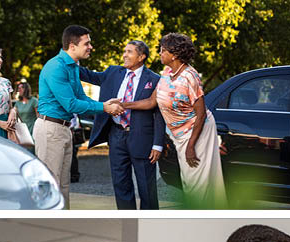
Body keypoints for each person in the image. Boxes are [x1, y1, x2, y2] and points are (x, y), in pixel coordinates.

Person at [122, 33, 226, 209]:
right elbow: (151, 102)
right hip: (180, 134)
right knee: (189, 180)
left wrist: (191, 146)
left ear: (174, 55)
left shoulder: (189, 77)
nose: (160, 54)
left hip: (197, 132)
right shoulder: (167, 72)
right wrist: (123, 104)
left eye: (163, 50)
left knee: (196, 183)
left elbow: (200, 114)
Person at [36, 25, 125, 209]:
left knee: (64, 184)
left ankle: (64, 221)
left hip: (64, 128)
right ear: (72, 45)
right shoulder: (56, 67)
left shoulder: (73, 66)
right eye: (87, 43)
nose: (91, 47)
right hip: (50, 130)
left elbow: (81, 98)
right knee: (51, 184)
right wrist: (105, 107)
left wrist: (105, 103)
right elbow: (71, 104)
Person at [79, 40, 166, 210]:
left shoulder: (155, 80)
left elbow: (160, 114)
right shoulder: (113, 72)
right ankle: (129, 221)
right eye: (124, 51)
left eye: (130, 52)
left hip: (143, 139)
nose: (124, 55)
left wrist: (158, 144)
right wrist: (70, 58)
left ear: (141, 57)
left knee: (147, 188)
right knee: (121, 185)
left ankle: (149, 224)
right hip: (116, 136)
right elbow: (89, 75)